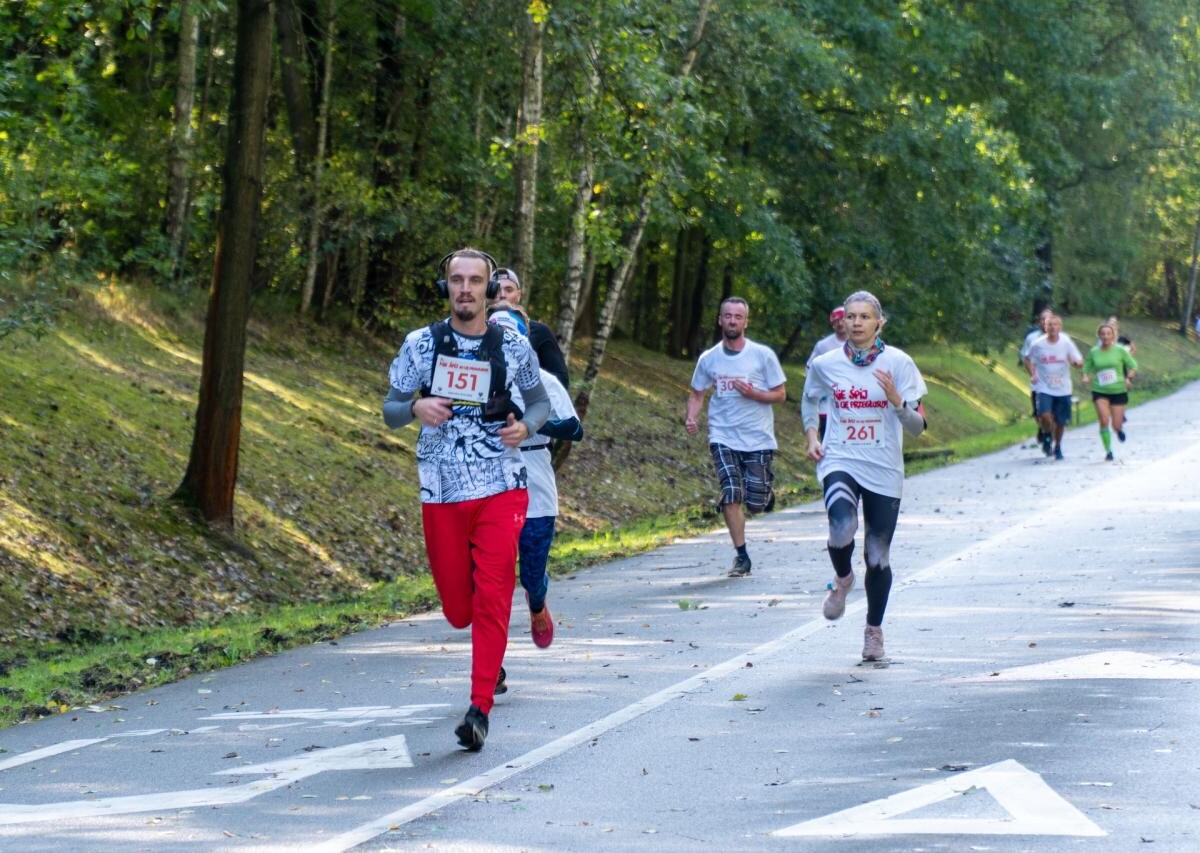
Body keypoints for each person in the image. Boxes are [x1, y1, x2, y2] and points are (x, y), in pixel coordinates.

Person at [382, 248, 550, 752]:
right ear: (447, 287)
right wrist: (416, 405)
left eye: (475, 281)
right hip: (440, 489)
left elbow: (539, 401)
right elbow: (390, 411)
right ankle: (485, 649)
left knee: (495, 592)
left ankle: (479, 708)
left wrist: (527, 426)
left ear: (489, 288)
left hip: (501, 484)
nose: (466, 289)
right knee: (460, 608)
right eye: (457, 280)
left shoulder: (514, 346)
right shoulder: (421, 344)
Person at [801, 291, 927, 662]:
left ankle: (874, 631)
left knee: (877, 555)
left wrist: (896, 402)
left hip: (884, 467)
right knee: (840, 527)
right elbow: (809, 399)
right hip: (840, 457)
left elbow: (919, 428)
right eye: (851, 316)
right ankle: (842, 580)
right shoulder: (825, 364)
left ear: (878, 323)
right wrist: (812, 435)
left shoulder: (899, 364)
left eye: (864, 317)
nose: (855, 323)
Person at [487, 302, 584, 650]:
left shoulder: (544, 381)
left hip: (536, 483)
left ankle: (537, 603)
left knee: (531, 573)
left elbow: (574, 428)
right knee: (490, 580)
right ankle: (490, 664)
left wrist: (531, 424)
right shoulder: (476, 379)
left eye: (510, 335)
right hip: (489, 481)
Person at [685, 297, 787, 578]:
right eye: (727, 316)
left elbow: (781, 394)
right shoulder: (709, 359)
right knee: (731, 493)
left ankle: (764, 493)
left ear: (745, 322)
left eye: (737, 317)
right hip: (723, 434)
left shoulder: (762, 355)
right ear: (720, 320)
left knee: (755, 503)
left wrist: (755, 394)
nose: (732, 321)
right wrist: (692, 417)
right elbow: (697, 392)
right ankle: (742, 557)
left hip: (757, 437)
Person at [492, 267, 571, 389]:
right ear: (486, 295)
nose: (502, 295)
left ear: (518, 295)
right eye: (496, 290)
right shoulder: (475, 331)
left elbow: (561, 380)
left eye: (509, 290)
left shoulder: (539, 331)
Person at [1024, 313, 1083, 461]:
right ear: (1045, 327)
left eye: (1055, 324)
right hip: (1044, 387)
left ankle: (1057, 447)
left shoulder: (1066, 341)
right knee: (1044, 415)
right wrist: (1032, 373)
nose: (1052, 327)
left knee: (1061, 422)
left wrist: (1076, 364)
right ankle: (1047, 434)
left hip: (1063, 388)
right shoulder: (1037, 344)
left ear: (1060, 327)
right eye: (1049, 324)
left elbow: (1079, 360)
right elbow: (1027, 358)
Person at [1082, 321, 1138, 461]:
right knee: (1104, 419)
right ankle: (1108, 451)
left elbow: (1133, 365)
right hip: (1099, 390)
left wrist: (1129, 377)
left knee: (1116, 424)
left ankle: (1118, 430)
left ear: (1113, 336)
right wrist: (1086, 376)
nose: (1105, 336)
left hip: (1118, 390)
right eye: (1103, 334)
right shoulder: (1094, 352)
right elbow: (1087, 367)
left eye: (1108, 334)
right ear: (1099, 336)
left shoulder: (1120, 350)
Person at [806, 306, 848, 440]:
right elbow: (810, 368)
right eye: (836, 321)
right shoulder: (823, 346)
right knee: (827, 441)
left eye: (842, 320)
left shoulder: (859, 342)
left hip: (854, 402)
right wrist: (820, 387)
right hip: (828, 405)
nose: (840, 324)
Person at [1020, 308, 1053, 447]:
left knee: (1053, 413)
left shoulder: (1061, 338)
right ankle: (1044, 430)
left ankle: (1049, 434)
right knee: (1039, 413)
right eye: (1042, 319)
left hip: (1057, 383)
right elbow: (1026, 358)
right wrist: (1033, 374)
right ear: (1039, 322)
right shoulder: (1032, 338)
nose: (1045, 322)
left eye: (1049, 319)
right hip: (1039, 383)